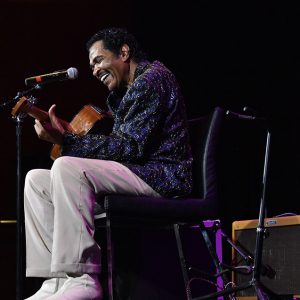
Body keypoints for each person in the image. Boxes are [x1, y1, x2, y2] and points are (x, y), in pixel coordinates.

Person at [24, 27, 193, 300]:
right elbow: (118, 147)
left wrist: (68, 141)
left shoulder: (152, 80)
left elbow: (130, 148)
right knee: (36, 181)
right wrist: (70, 135)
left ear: (124, 53)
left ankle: (82, 278)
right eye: (91, 65)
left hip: (161, 176)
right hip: (137, 171)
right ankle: (55, 281)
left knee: (67, 167)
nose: (94, 69)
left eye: (98, 60)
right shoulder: (127, 92)